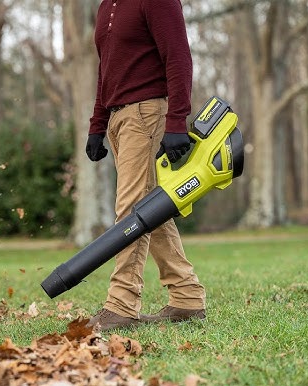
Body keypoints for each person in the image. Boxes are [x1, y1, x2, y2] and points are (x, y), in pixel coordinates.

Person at [84, 0, 206, 331]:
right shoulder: (107, 5)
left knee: (131, 211)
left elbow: (179, 58)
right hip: (118, 118)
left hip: (147, 114)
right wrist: (98, 126)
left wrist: (177, 121)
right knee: (151, 210)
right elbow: (105, 71)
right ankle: (187, 297)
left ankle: (122, 305)